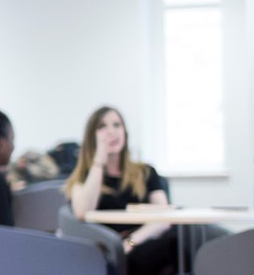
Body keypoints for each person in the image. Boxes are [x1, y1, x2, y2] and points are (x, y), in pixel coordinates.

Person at [65, 106, 175, 275]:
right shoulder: (83, 180)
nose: (111, 132)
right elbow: (83, 211)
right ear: (91, 137)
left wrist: (131, 242)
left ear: (125, 132)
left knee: (183, 239)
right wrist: (99, 161)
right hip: (110, 252)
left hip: (143, 241)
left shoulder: (146, 172)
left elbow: (163, 218)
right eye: (102, 127)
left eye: (117, 125)